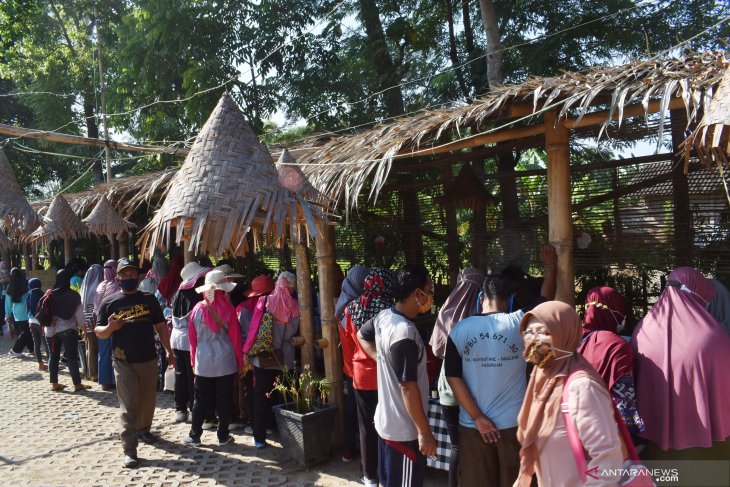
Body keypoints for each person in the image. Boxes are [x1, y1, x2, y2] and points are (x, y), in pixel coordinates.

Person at [445, 246, 556, 487]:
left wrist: (478, 417)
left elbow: (453, 377)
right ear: (512, 299)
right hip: (513, 426)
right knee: (517, 481)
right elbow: (546, 300)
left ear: (481, 298)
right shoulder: (520, 322)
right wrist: (551, 266)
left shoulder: (460, 330)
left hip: (472, 427)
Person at [514, 301, 624, 486]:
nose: (534, 340)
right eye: (529, 332)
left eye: (543, 332)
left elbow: (608, 460)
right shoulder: (542, 377)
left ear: (564, 335)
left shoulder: (582, 387)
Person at [632, 267, 730, 460]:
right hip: (708, 445)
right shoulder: (713, 336)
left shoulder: (641, 329)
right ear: (697, 292)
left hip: (653, 442)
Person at [357, 264, 436, 487]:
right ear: (417, 294)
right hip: (404, 432)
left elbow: (361, 335)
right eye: (428, 290)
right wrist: (425, 432)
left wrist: (382, 360)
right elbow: (407, 388)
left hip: (388, 424)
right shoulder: (404, 333)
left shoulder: (384, 317)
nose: (430, 296)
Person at [94, 258, 175, 469]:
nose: (129, 277)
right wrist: (111, 328)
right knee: (129, 405)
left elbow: (160, 326)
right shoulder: (110, 302)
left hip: (148, 359)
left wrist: (168, 350)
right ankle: (130, 449)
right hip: (123, 361)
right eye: (124, 274)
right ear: (118, 277)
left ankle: (144, 430)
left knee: (148, 402)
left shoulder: (149, 300)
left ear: (137, 277)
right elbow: (98, 332)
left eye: (132, 274)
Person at [429, 266, 484, 487]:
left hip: (446, 388)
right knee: (471, 445)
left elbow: (435, 348)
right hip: (468, 389)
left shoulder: (447, 310)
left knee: (457, 446)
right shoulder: (477, 315)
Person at [342, 268, 393, 486]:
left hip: (361, 374)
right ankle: (388, 471)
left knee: (366, 427)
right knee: (388, 424)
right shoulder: (390, 309)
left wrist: (351, 370)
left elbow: (347, 344)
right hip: (386, 375)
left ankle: (369, 476)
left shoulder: (350, 308)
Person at [182, 270, 243, 447]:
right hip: (226, 363)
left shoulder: (197, 310)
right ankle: (223, 436)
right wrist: (240, 362)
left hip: (203, 363)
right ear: (222, 289)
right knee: (224, 400)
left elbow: (192, 340)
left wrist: (193, 361)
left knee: (200, 400)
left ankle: (195, 435)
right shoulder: (229, 310)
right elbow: (236, 340)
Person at [243, 272, 299, 448]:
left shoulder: (264, 302)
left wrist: (246, 350)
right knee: (286, 396)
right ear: (290, 287)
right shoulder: (296, 306)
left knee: (261, 397)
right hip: (286, 358)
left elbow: (254, 329)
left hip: (265, 357)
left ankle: (259, 438)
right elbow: (298, 330)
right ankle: (290, 437)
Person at [577, 286, 644, 435]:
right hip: (606, 432)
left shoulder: (571, 339)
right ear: (615, 312)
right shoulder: (617, 346)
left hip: (575, 426)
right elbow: (624, 404)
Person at [337, 265, 371, 464]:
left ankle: (349, 449)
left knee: (353, 411)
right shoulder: (356, 307)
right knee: (359, 414)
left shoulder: (344, 303)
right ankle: (353, 449)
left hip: (350, 365)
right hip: (358, 367)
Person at [170, 262, 212, 422]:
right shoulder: (195, 294)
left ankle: (179, 409)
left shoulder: (177, 293)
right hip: (190, 340)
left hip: (176, 339)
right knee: (192, 375)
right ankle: (194, 409)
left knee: (180, 374)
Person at [237, 273, 276, 436]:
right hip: (270, 356)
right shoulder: (275, 307)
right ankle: (269, 424)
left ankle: (254, 425)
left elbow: (237, 334)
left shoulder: (241, 308)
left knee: (251, 392)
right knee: (270, 391)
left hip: (247, 356)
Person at [46, 269, 90, 392]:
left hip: (51, 331)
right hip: (68, 330)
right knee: (71, 357)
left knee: (53, 357)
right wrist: (84, 330)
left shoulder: (50, 294)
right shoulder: (74, 296)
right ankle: (77, 385)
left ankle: (54, 384)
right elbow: (80, 316)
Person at [95, 260, 120, 391]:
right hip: (114, 323)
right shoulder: (116, 286)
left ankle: (105, 382)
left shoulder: (100, 286)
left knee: (104, 353)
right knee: (115, 352)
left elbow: (96, 307)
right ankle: (115, 380)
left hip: (101, 323)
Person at [80, 265, 103, 381]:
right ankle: (96, 374)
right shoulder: (97, 287)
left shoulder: (84, 286)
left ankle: (91, 373)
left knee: (90, 348)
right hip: (95, 320)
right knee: (96, 348)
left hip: (86, 320)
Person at [6, 267, 33, 358]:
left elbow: (8, 303)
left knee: (26, 330)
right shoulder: (26, 283)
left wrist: (8, 314)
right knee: (26, 331)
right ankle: (15, 350)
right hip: (27, 309)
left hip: (17, 312)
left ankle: (31, 349)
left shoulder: (10, 286)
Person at [27, 277, 48, 370]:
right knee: (46, 342)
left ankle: (40, 364)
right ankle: (52, 363)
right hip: (40, 322)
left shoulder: (29, 294)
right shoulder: (41, 293)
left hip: (31, 321)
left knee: (37, 343)